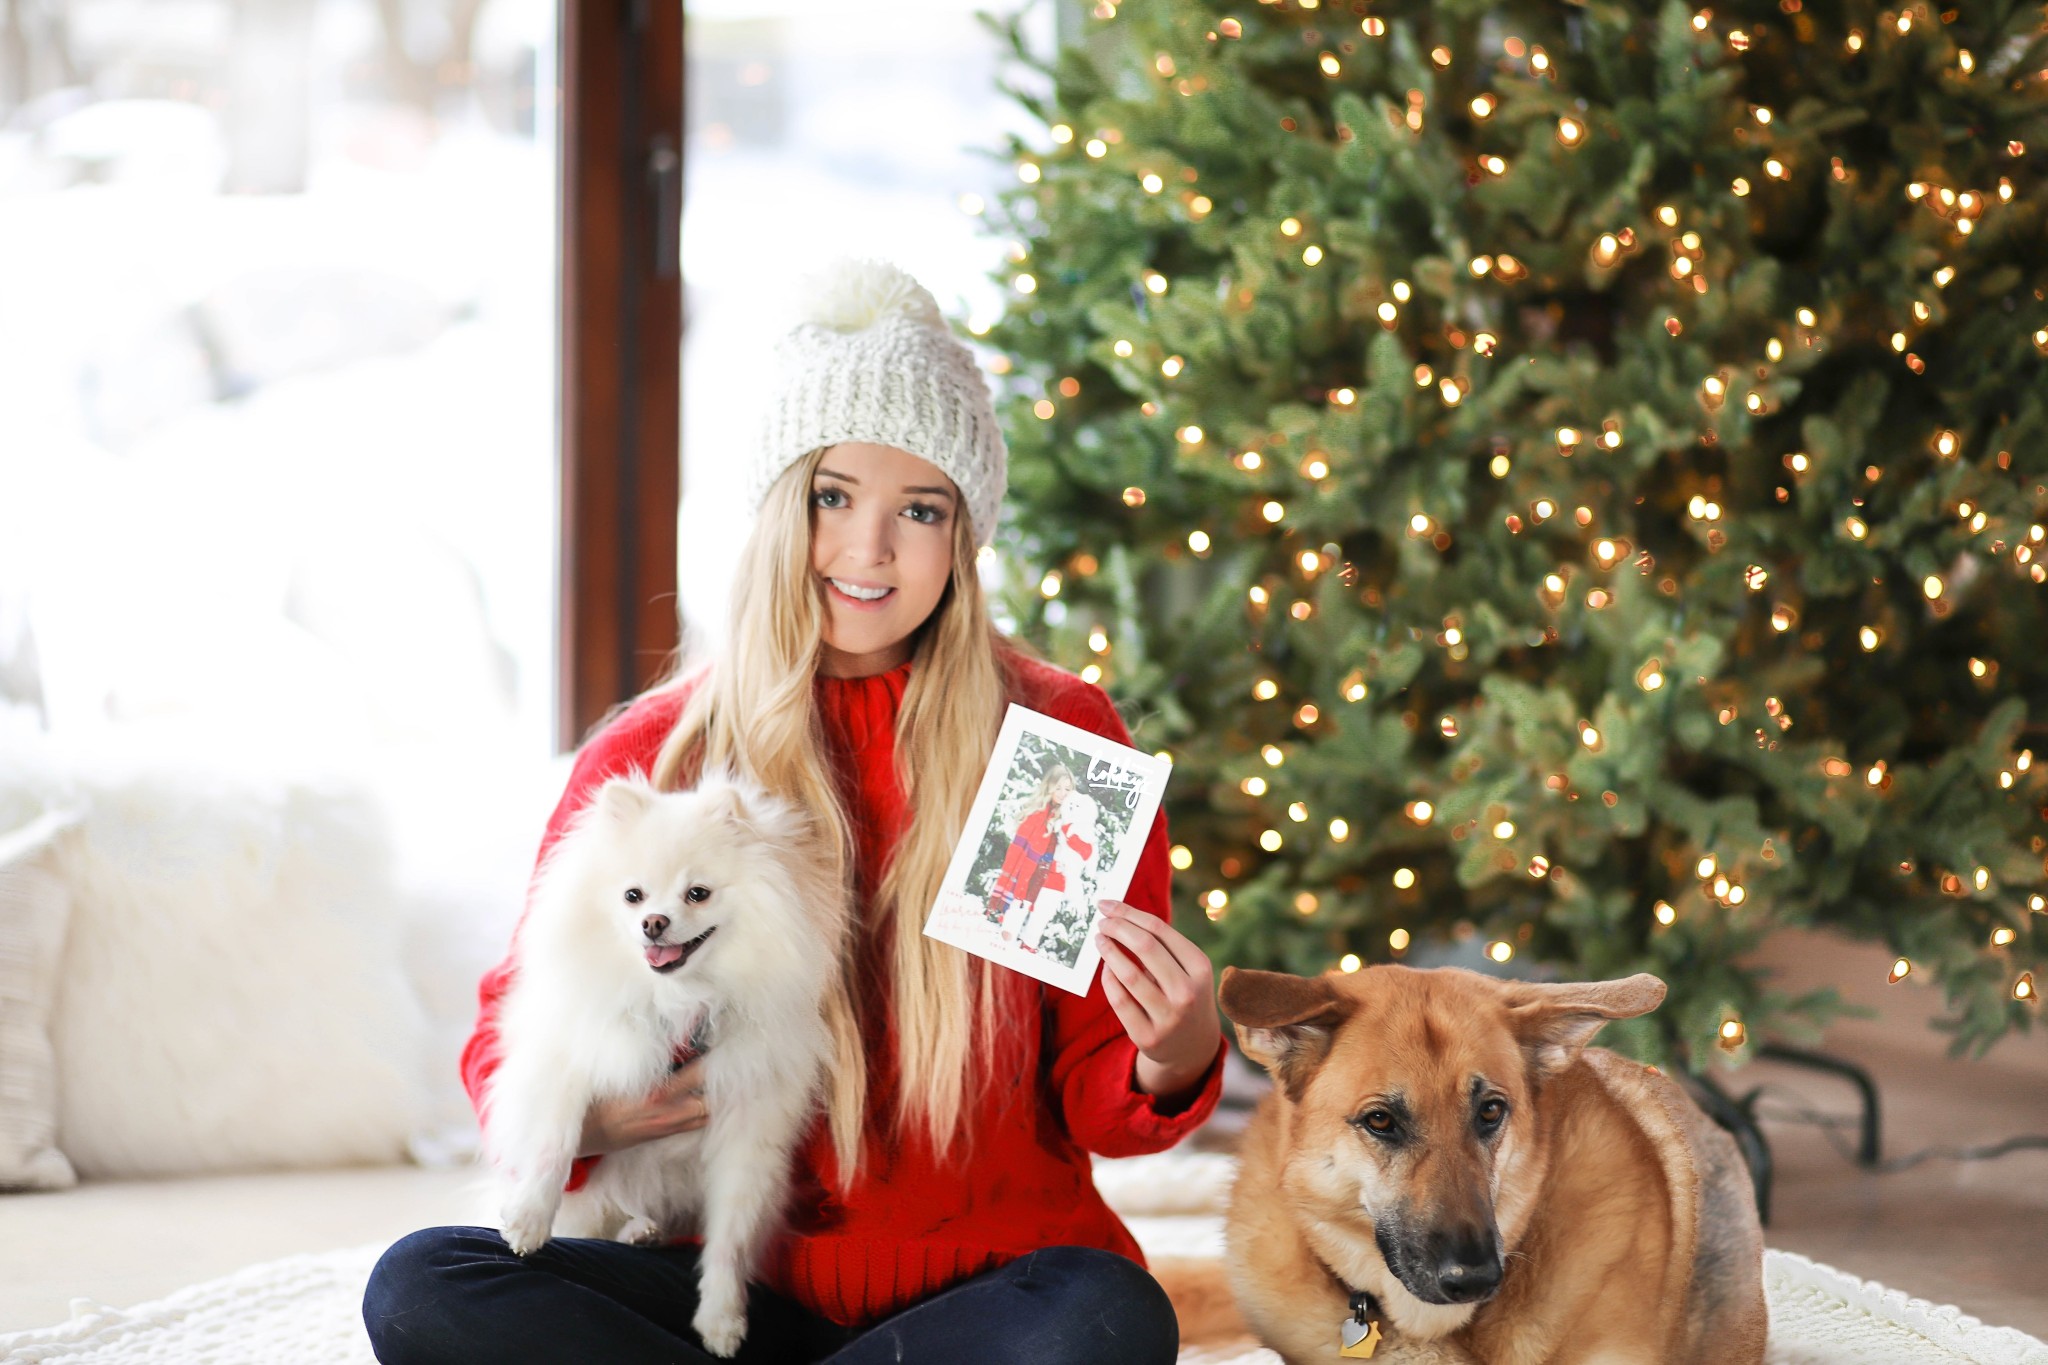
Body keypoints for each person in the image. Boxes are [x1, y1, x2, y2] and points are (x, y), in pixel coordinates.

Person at [361, 259, 1227, 1365]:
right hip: (708, 1280)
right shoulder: (660, 750)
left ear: (962, 540)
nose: (868, 552)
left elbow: (1097, 1101)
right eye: (832, 498)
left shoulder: (1055, 743)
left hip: (983, 1286)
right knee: (426, 1285)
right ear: (778, 508)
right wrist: (594, 1124)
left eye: (919, 511)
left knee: (1106, 1317)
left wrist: (1173, 1051)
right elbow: (512, 1031)